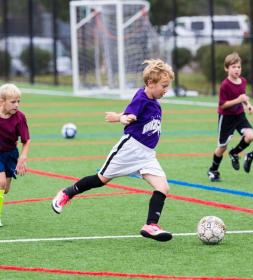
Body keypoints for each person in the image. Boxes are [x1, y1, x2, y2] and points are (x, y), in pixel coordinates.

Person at [52, 59, 175, 242]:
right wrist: (121, 118)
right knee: (101, 179)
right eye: (163, 86)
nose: (166, 90)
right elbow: (129, 115)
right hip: (129, 149)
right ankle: (66, 193)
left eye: (167, 86)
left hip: (147, 155)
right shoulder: (141, 98)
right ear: (150, 83)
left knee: (163, 187)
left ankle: (150, 225)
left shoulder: (156, 104)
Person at [207, 52, 253, 182]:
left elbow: (243, 97)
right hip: (226, 118)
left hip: (239, 115)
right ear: (227, 68)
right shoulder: (225, 85)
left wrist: (248, 104)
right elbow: (223, 105)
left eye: (238, 67)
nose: (237, 70)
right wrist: (239, 100)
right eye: (233, 67)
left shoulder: (243, 81)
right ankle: (213, 170)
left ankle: (234, 153)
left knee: (250, 136)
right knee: (222, 147)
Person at [0, 83, 30, 227]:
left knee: (5, 190)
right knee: (0, 183)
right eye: (13, 102)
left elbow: (26, 140)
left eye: (18, 101)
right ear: (2, 101)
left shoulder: (20, 117)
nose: (16, 105)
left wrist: (23, 157)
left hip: (11, 153)